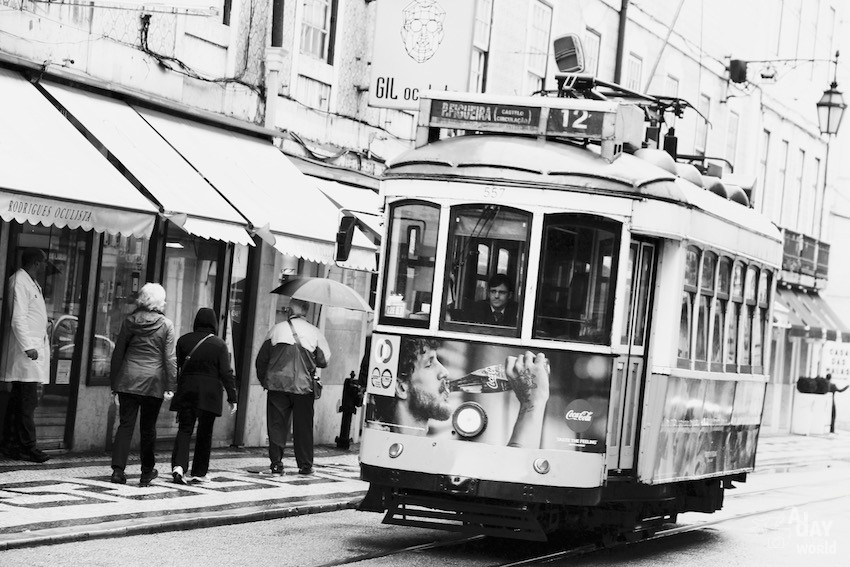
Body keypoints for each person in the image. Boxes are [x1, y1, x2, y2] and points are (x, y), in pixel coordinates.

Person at [387, 337, 550, 448]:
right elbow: (512, 479)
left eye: (439, 361)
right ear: (402, 388)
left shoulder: (426, 450)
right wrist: (532, 403)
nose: (444, 372)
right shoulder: (415, 457)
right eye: (429, 364)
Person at [109, 283, 176, 486]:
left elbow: (118, 352)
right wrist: (171, 385)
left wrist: (114, 383)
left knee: (126, 425)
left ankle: (118, 471)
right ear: (160, 302)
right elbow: (170, 359)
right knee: (148, 428)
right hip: (153, 382)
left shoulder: (129, 321)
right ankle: (147, 471)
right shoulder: (166, 325)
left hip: (128, 379)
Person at [255, 299, 330, 475]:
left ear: (290, 310)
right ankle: (305, 464)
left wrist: (264, 380)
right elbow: (324, 360)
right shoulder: (314, 332)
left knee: (276, 425)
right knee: (303, 426)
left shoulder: (276, 330)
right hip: (303, 387)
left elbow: (261, 359)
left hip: (278, 385)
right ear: (306, 311)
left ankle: (276, 463)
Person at [169, 308, 237, 484]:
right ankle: (199, 472)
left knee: (184, 429)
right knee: (205, 433)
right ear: (214, 323)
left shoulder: (183, 341)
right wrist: (232, 397)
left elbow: (179, 368)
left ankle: (179, 466)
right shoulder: (219, 344)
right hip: (209, 394)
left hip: (187, 390)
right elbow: (226, 373)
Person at [0, 248, 51, 463]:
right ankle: (27, 446)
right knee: (27, 402)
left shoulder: (29, 282)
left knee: (19, 401)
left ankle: (11, 443)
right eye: (44, 262)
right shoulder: (19, 281)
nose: (46, 266)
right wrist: (29, 346)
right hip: (25, 354)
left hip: (30, 353)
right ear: (36, 263)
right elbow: (18, 318)